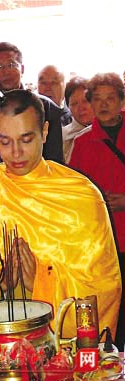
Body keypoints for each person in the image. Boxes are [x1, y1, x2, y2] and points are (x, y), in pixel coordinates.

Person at [0, 89, 121, 340]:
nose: (16, 153)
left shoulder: (79, 194)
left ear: (45, 132)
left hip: (59, 348)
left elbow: (102, 287)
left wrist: (40, 281)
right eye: (4, 141)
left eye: (26, 139)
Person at [69, 72, 125, 350]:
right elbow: (76, 192)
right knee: (113, 304)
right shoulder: (82, 142)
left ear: (121, 101)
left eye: (110, 98)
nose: (104, 105)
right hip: (102, 240)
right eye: (98, 99)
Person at [0, 42, 64, 164]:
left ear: (22, 69)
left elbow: (55, 159)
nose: (6, 72)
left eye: (11, 65)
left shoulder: (46, 106)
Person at [63, 77, 94, 163]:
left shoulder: (110, 130)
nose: (81, 108)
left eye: (85, 101)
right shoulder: (61, 135)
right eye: (74, 104)